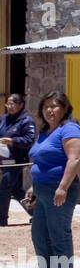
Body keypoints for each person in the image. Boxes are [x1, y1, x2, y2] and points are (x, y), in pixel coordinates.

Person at [25, 91, 80, 268]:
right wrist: (34, 186)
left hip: (59, 188)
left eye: (55, 105)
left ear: (65, 108)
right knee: (39, 233)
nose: (50, 110)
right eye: (46, 106)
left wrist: (63, 187)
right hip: (42, 189)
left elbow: (74, 160)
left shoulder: (69, 129)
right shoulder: (45, 131)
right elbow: (40, 161)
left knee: (58, 232)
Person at [0, 93, 36, 226]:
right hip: (4, 159)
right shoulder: (4, 119)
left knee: (4, 185)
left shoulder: (26, 121)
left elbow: (29, 139)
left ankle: (1, 219)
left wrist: (13, 141)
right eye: (7, 104)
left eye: (12, 104)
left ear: (21, 105)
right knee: (15, 189)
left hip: (17, 160)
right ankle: (36, 214)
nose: (9, 106)